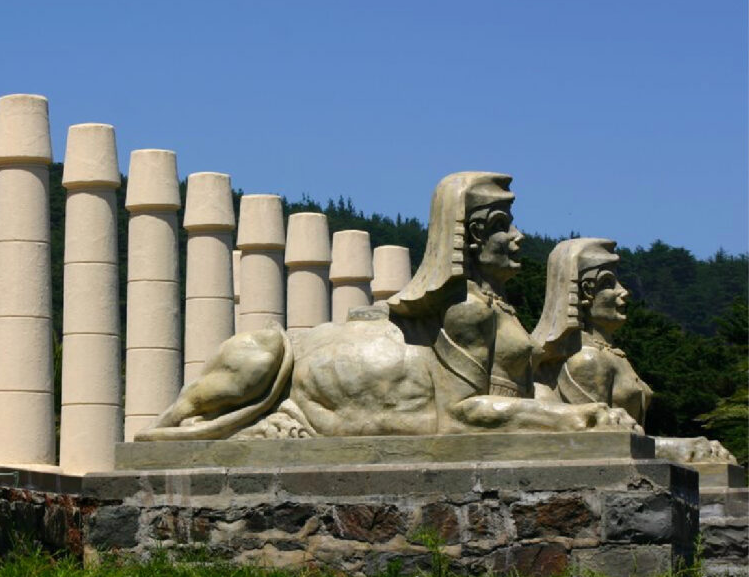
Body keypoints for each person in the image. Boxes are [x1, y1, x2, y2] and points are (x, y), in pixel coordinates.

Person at [136, 172, 639, 441]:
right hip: (287, 363)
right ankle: (176, 425)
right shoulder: (466, 310)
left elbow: (513, 400)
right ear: (473, 235)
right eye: (503, 225)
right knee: (259, 351)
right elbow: (462, 415)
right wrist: (579, 420)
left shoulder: (495, 310)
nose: (519, 236)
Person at [532, 238, 734, 463]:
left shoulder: (612, 355)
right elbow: (597, 441)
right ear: (586, 292)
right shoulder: (586, 359)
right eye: (609, 283)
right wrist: (676, 448)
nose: (623, 291)